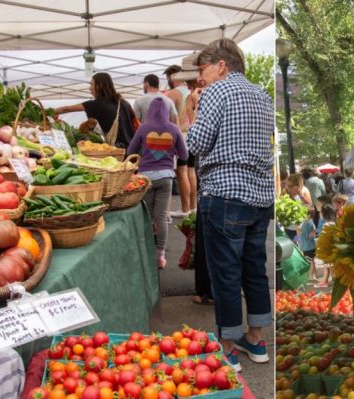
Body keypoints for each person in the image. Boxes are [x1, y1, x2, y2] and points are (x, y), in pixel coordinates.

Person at [187, 38, 273, 372]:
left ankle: (227, 349)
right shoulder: (262, 95)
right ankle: (256, 340)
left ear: (221, 65)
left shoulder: (216, 93)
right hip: (260, 196)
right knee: (254, 270)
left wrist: (192, 111)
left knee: (225, 274)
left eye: (202, 69)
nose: (200, 77)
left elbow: (196, 143)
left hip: (224, 193)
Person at [127, 99, 188, 270]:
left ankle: (146, 254)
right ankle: (160, 256)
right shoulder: (174, 129)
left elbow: (130, 151)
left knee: (147, 216)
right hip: (166, 178)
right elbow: (184, 155)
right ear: (166, 112)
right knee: (160, 217)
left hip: (145, 179)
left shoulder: (143, 128)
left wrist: (144, 150)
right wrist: (172, 150)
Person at [54, 72, 136, 148]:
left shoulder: (96, 104)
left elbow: (67, 109)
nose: (90, 88)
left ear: (98, 86)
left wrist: (49, 112)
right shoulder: (124, 103)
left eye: (91, 85)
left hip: (118, 150)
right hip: (134, 148)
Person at [164, 58, 197, 217]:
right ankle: (193, 206)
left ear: (172, 77)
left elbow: (165, 116)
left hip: (179, 137)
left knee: (181, 172)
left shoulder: (173, 94)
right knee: (191, 171)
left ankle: (184, 208)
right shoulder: (192, 92)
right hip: (192, 135)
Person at [315, 204, 337, 288]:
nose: (319, 213)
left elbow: (324, 238)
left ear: (325, 214)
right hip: (332, 248)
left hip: (327, 249)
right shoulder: (333, 223)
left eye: (321, 212)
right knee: (329, 266)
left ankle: (331, 282)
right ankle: (326, 281)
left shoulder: (326, 225)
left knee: (330, 267)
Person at [298, 208, 318, 281]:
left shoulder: (306, 224)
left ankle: (310, 276)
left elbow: (300, 234)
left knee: (310, 262)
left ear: (309, 215)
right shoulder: (310, 222)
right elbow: (313, 232)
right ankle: (314, 275)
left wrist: (298, 228)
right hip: (311, 246)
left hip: (307, 247)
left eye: (304, 214)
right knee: (312, 261)